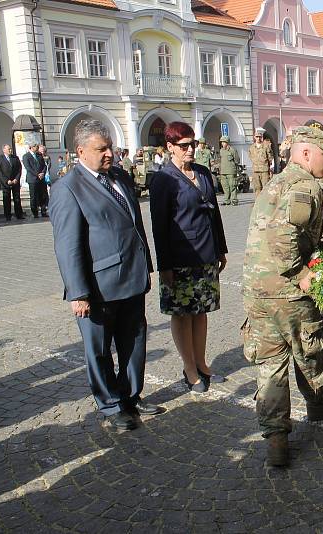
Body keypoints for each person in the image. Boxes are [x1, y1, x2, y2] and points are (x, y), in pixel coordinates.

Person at [242, 126, 323, 467]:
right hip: (287, 290)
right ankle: (319, 402)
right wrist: (303, 275)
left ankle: (276, 439)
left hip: (258, 288)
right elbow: (283, 236)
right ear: (305, 153)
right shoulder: (305, 186)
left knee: (271, 364)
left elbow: (297, 229)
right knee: (307, 347)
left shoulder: (277, 181)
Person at [49, 119, 164, 431]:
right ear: (80, 151)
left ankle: (130, 396)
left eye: (111, 146)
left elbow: (134, 227)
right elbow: (67, 246)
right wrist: (78, 292)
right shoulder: (67, 188)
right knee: (99, 350)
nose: (109, 153)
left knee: (135, 341)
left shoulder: (120, 178)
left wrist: (146, 266)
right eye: (101, 149)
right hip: (96, 287)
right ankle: (111, 406)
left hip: (131, 278)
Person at [149, 122, 228, 392]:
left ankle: (203, 363)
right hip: (180, 258)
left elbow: (214, 213)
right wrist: (165, 267)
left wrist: (221, 248)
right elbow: (159, 227)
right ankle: (189, 368)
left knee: (201, 311)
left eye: (192, 144)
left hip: (206, 253)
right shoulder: (164, 179)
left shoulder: (203, 173)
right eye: (184, 146)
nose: (190, 149)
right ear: (170, 147)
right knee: (183, 314)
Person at [0, 144, 25, 221]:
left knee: (17, 198)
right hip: (6, 183)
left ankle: (19, 214)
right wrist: (6, 180)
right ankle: (8, 216)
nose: (10, 150)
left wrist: (16, 179)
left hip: (15, 181)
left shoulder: (15, 158)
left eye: (10, 149)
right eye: (8, 149)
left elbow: (19, 169)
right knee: (6, 199)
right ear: (4, 150)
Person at [22, 143, 48, 218]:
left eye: (37, 147)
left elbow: (44, 165)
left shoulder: (39, 155)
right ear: (31, 147)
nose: (36, 148)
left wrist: (43, 173)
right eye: (35, 147)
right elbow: (28, 168)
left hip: (41, 179)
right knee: (33, 196)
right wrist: (37, 174)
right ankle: (35, 213)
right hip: (32, 179)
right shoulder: (26, 156)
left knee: (43, 195)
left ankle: (43, 211)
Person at [249, 128, 274, 197]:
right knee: (257, 188)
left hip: (264, 170)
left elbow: (270, 158)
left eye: (260, 137)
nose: (258, 138)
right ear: (254, 137)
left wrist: (271, 170)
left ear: (262, 137)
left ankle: (265, 203)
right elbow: (250, 157)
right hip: (255, 170)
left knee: (265, 187)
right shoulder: (251, 147)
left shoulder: (266, 147)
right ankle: (258, 203)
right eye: (257, 137)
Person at [217, 135, 240, 205]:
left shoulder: (232, 150)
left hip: (231, 171)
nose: (222, 143)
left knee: (232, 186)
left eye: (224, 142)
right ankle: (227, 200)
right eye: (222, 142)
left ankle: (234, 200)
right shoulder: (221, 151)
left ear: (227, 142)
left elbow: (237, 160)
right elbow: (220, 161)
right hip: (223, 172)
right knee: (225, 187)